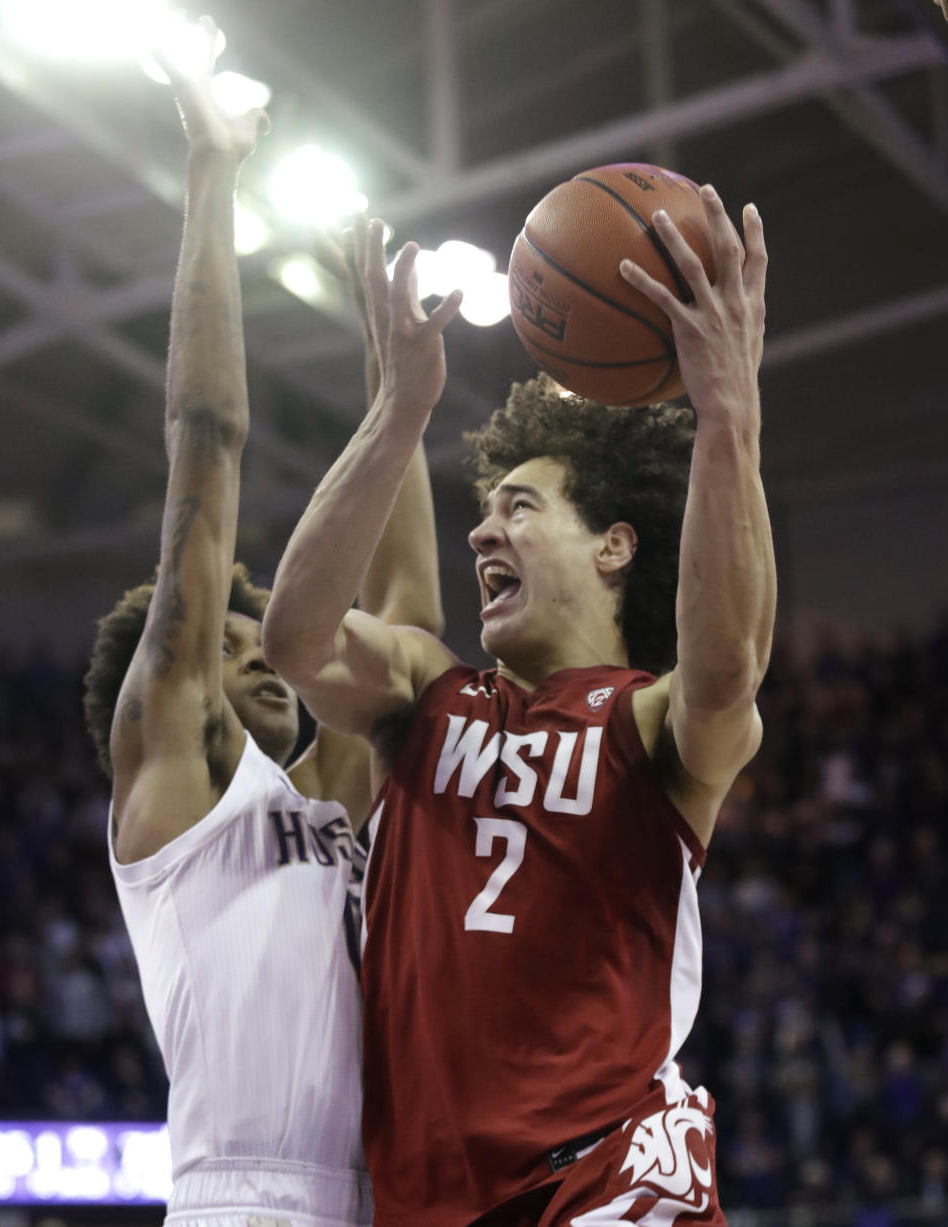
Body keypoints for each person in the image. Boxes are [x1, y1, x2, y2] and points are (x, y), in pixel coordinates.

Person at [262, 192, 775, 1227]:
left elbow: (727, 668)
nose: (481, 535)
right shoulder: (425, 696)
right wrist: (396, 411)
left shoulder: (650, 724)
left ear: (615, 547)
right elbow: (297, 640)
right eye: (483, 511)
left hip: (611, 1181)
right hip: (435, 1200)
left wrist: (730, 413)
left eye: (520, 509)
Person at [82, 21, 443, 1227]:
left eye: (256, 639)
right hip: (241, 1201)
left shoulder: (327, 801)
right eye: (231, 652)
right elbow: (206, 445)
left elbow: (405, 621)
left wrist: (394, 394)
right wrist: (212, 173)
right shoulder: (174, 793)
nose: (261, 654)